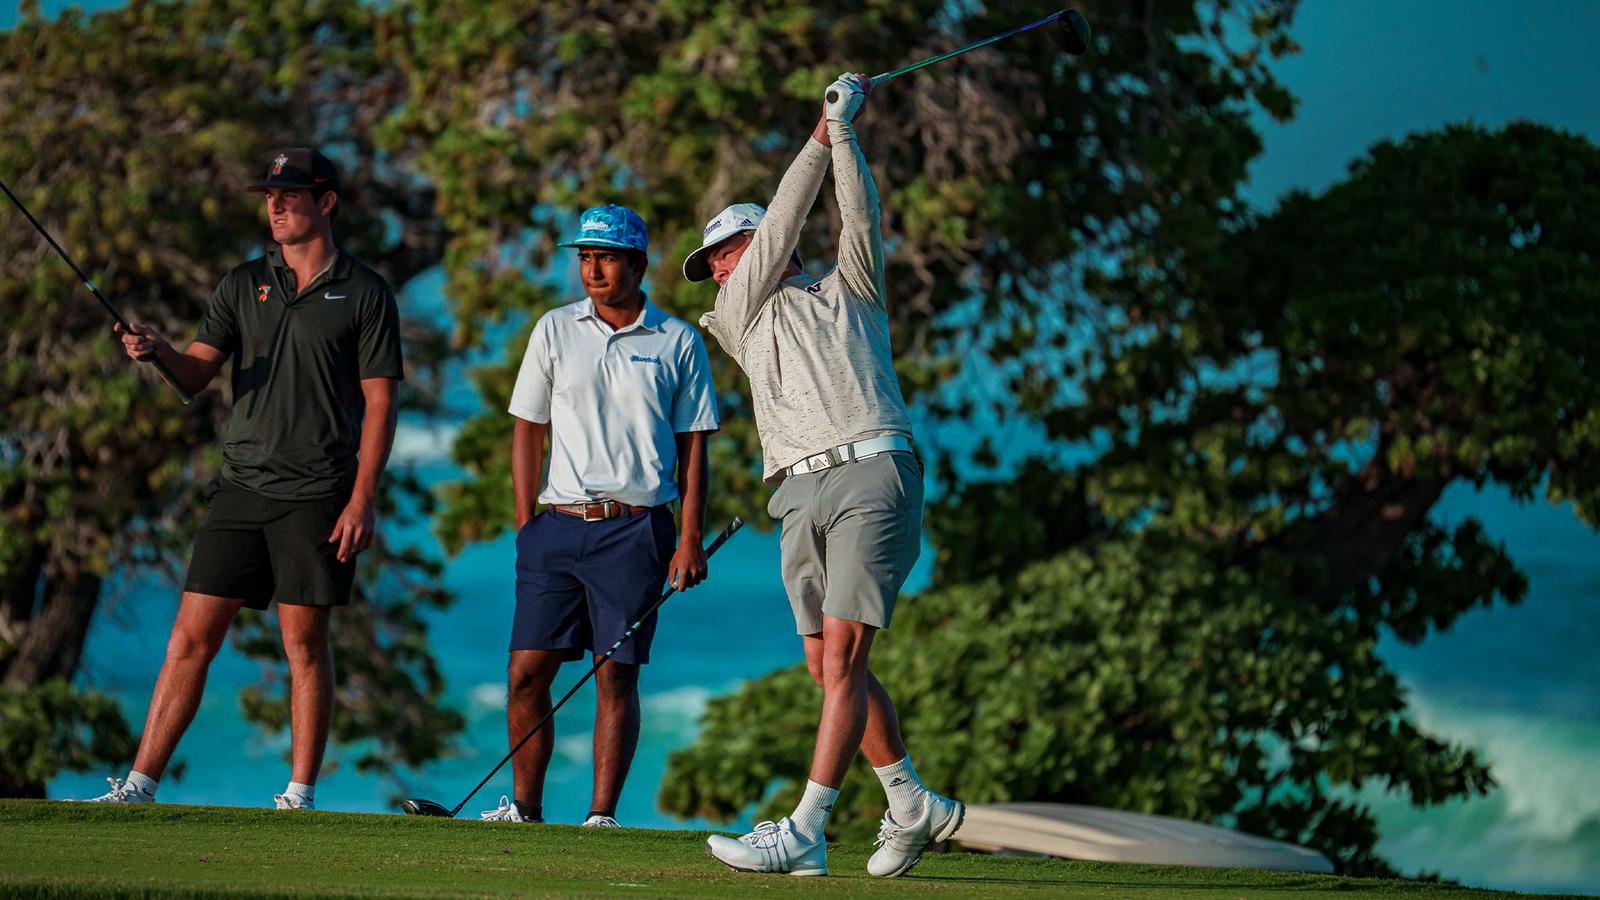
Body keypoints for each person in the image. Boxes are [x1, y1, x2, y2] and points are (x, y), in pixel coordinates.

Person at [687, 75, 962, 878]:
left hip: (873, 467)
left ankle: (806, 829)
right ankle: (909, 803)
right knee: (825, 665)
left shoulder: (852, 290)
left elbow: (857, 215)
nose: (721, 271)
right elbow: (781, 226)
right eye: (714, 264)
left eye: (727, 253)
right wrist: (819, 131)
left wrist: (838, 135)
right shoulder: (734, 317)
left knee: (841, 659)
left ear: (766, 244)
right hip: (795, 491)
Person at [88, 148, 404, 810]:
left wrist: (363, 499)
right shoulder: (242, 283)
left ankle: (298, 795)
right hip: (240, 487)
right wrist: (158, 352)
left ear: (326, 202)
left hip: (318, 493)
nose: (275, 206)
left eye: (290, 195)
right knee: (188, 639)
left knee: (304, 645)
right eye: (269, 196)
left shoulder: (365, 291)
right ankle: (138, 787)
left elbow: (380, 402)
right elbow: (196, 373)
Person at [479, 204, 719, 827]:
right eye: (585, 258)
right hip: (557, 526)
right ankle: (524, 809)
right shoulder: (554, 329)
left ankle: (600, 816)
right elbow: (528, 429)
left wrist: (689, 537)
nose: (592, 269)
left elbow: (694, 447)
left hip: (637, 528)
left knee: (616, 674)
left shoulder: (678, 340)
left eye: (606, 258)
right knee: (526, 672)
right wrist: (525, 524)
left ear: (637, 265)